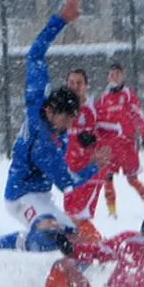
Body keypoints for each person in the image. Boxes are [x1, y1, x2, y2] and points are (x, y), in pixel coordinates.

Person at [0, 0, 109, 275]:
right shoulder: (43, 144)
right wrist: (94, 166)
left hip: (41, 196)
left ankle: (71, 279)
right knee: (48, 234)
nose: (68, 128)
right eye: (66, 121)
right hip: (20, 195)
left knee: (76, 239)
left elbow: (35, 54)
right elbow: (68, 182)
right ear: (53, 112)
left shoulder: (38, 98)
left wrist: (61, 20)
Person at [94, 63, 144, 219]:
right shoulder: (103, 99)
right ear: (108, 77)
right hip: (109, 146)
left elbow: (138, 115)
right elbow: (96, 121)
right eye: (111, 74)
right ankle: (112, 211)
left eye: (117, 74)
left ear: (122, 76)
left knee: (132, 179)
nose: (114, 77)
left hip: (127, 145)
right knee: (107, 178)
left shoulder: (127, 95)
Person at [63, 67, 110, 243]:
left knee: (77, 216)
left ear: (86, 86)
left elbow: (114, 133)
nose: (75, 86)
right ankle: (87, 250)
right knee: (71, 217)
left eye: (79, 83)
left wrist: (95, 140)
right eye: (71, 83)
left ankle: (100, 248)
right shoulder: (62, 110)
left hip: (90, 169)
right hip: (70, 171)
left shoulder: (94, 109)